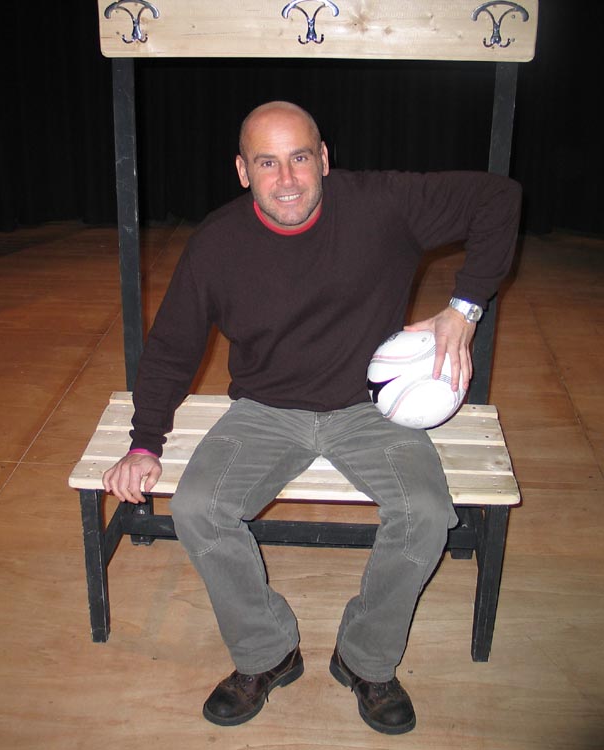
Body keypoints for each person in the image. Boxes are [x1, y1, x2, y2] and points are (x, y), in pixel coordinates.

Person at [102, 101, 521, 734]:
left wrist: (463, 310)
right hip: (266, 409)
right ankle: (266, 653)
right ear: (242, 171)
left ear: (324, 158)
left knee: (427, 512)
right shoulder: (217, 243)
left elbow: (499, 199)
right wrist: (144, 443)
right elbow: (171, 349)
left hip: (370, 409)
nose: (288, 179)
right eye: (267, 163)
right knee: (196, 508)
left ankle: (366, 660)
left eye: (300, 157)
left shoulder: (380, 205)